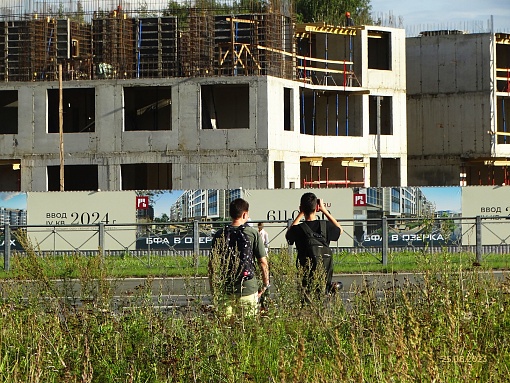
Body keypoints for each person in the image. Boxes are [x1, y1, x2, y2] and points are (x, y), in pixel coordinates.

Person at [209, 198, 270, 318]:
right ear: (244, 214)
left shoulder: (219, 234)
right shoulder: (253, 233)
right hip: (248, 286)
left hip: (225, 287)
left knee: (225, 327)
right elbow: (263, 263)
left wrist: (213, 289)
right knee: (247, 327)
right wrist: (265, 284)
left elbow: (211, 265)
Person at [285, 192, 343, 300]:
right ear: (316, 208)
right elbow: (340, 230)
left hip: (305, 277)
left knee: (306, 302)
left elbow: (288, 235)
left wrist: (300, 214)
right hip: (323, 277)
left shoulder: (298, 229)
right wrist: (324, 210)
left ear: (301, 208)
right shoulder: (325, 226)